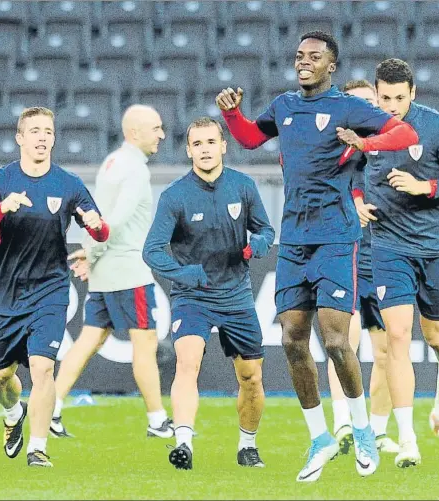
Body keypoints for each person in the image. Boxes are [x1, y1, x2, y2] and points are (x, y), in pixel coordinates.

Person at [216, 30, 419, 481]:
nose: (303, 62)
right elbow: (250, 139)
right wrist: (232, 115)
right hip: (294, 239)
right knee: (291, 339)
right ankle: (319, 438)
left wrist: (368, 144)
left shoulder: (349, 108)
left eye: (313, 56)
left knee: (334, 340)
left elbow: (404, 133)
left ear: (332, 66)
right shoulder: (285, 106)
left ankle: (361, 428)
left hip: (335, 236)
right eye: (299, 56)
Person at [0, 107, 109, 468]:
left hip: (51, 290)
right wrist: (3, 207)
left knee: (43, 367)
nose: (42, 137)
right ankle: (14, 413)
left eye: (48, 131)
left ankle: (38, 447)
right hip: (10, 295)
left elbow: (100, 230)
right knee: (1, 378)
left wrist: (96, 226)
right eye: (34, 131)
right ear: (20, 138)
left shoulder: (68, 184)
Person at [355, 58, 439, 467]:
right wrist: (356, 202)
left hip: (436, 245)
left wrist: (425, 186)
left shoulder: (437, 126)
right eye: (384, 97)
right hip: (388, 246)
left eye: (398, 98)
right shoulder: (367, 127)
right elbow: (351, 172)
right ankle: (407, 441)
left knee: (437, 337)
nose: (390, 106)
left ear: (413, 95)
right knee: (396, 338)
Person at [143, 117, 275, 471]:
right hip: (192, 297)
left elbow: (265, 230)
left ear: (223, 146)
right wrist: (185, 273)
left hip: (236, 296)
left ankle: (247, 445)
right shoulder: (175, 196)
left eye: (210, 142)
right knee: (188, 364)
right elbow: (152, 251)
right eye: (197, 144)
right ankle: (183, 442)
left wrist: (258, 244)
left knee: (251, 378)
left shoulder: (243, 187)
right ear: (188, 150)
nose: (204, 149)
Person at [50, 105, 174, 440]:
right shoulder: (134, 170)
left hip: (107, 270)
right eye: (156, 128)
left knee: (90, 337)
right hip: (127, 270)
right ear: (135, 132)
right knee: (145, 343)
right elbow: (113, 221)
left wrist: (92, 254)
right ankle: (158, 420)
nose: (161, 135)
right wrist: (93, 253)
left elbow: (98, 215)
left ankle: (52, 409)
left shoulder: (111, 162)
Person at [327, 80, 399, 455]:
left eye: (371, 103)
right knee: (344, 341)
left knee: (387, 350)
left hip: (385, 257)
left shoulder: (392, 149)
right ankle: (343, 424)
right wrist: (349, 201)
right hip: (344, 255)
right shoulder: (331, 152)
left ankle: (379, 430)